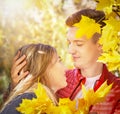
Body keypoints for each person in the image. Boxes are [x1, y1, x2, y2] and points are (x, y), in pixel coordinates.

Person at [4, 9, 120, 114]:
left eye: (79, 44)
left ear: (100, 44)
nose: (70, 50)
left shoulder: (117, 89)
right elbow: (22, 105)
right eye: (69, 43)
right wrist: (16, 86)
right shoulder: (59, 79)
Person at [0, 43, 67, 114]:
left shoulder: (40, 100)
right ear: (42, 68)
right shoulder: (29, 99)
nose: (65, 68)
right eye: (59, 61)